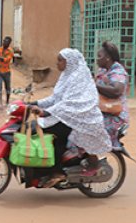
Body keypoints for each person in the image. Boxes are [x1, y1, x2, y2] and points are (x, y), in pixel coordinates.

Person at [30, 48, 112, 187]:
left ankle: (57, 172)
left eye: (60, 60)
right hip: (67, 115)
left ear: (70, 62)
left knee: (54, 136)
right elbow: (55, 98)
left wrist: (46, 112)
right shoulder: (66, 76)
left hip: (81, 119)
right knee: (36, 127)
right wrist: (35, 103)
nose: (57, 63)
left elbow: (68, 103)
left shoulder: (78, 78)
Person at [96, 41, 130, 148]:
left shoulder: (118, 71)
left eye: (99, 56)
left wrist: (94, 86)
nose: (97, 59)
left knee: (87, 129)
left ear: (107, 58)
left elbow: (116, 90)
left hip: (115, 116)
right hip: (103, 111)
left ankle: (93, 162)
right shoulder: (102, 71)